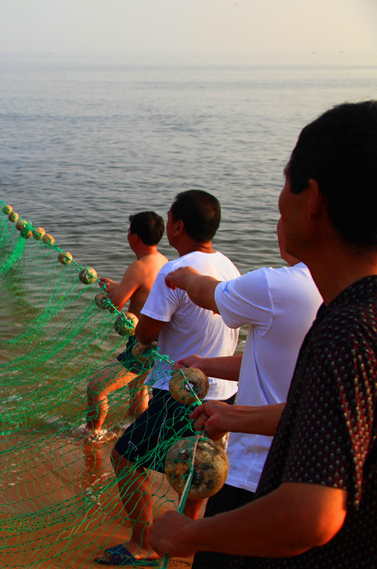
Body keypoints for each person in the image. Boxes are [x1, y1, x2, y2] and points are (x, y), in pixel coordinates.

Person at [148, 101, 377, 567]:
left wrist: (189, 534)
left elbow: (308, 518)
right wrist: (235, 418)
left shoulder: (348, 332)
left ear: (313, 200)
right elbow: (335, 421)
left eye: (284, 183)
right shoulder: (354, 316)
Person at [163, 220, 321, 569]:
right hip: (307, 478)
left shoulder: (278, 286)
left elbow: (209, 293)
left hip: (253, 474)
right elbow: (268, 362)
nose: (280, 224)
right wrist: (206, 364)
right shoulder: (340, 297)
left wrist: (184, 274)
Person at [96, 190, 241, 566]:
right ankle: (187, 541)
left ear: (178, 226)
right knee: (198, 468)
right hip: (223, 393)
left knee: (125, 456)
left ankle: (143, 542)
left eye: (169, 217)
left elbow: (146, 333)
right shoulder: (228, 267)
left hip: (181, 393)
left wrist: (136, 330)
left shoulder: (173, 272)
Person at [84, 211, 168, 439]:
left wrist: (111, 293)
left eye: (130, 230)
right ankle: (136, 427)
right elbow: (145, 289)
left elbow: (116, 303)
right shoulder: (163, 262)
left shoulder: (138, 266)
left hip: (142, 345)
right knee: (139, 386)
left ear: (134, 237)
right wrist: (120, 285)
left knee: (97, 387)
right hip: (159, 342)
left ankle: (93, 435)